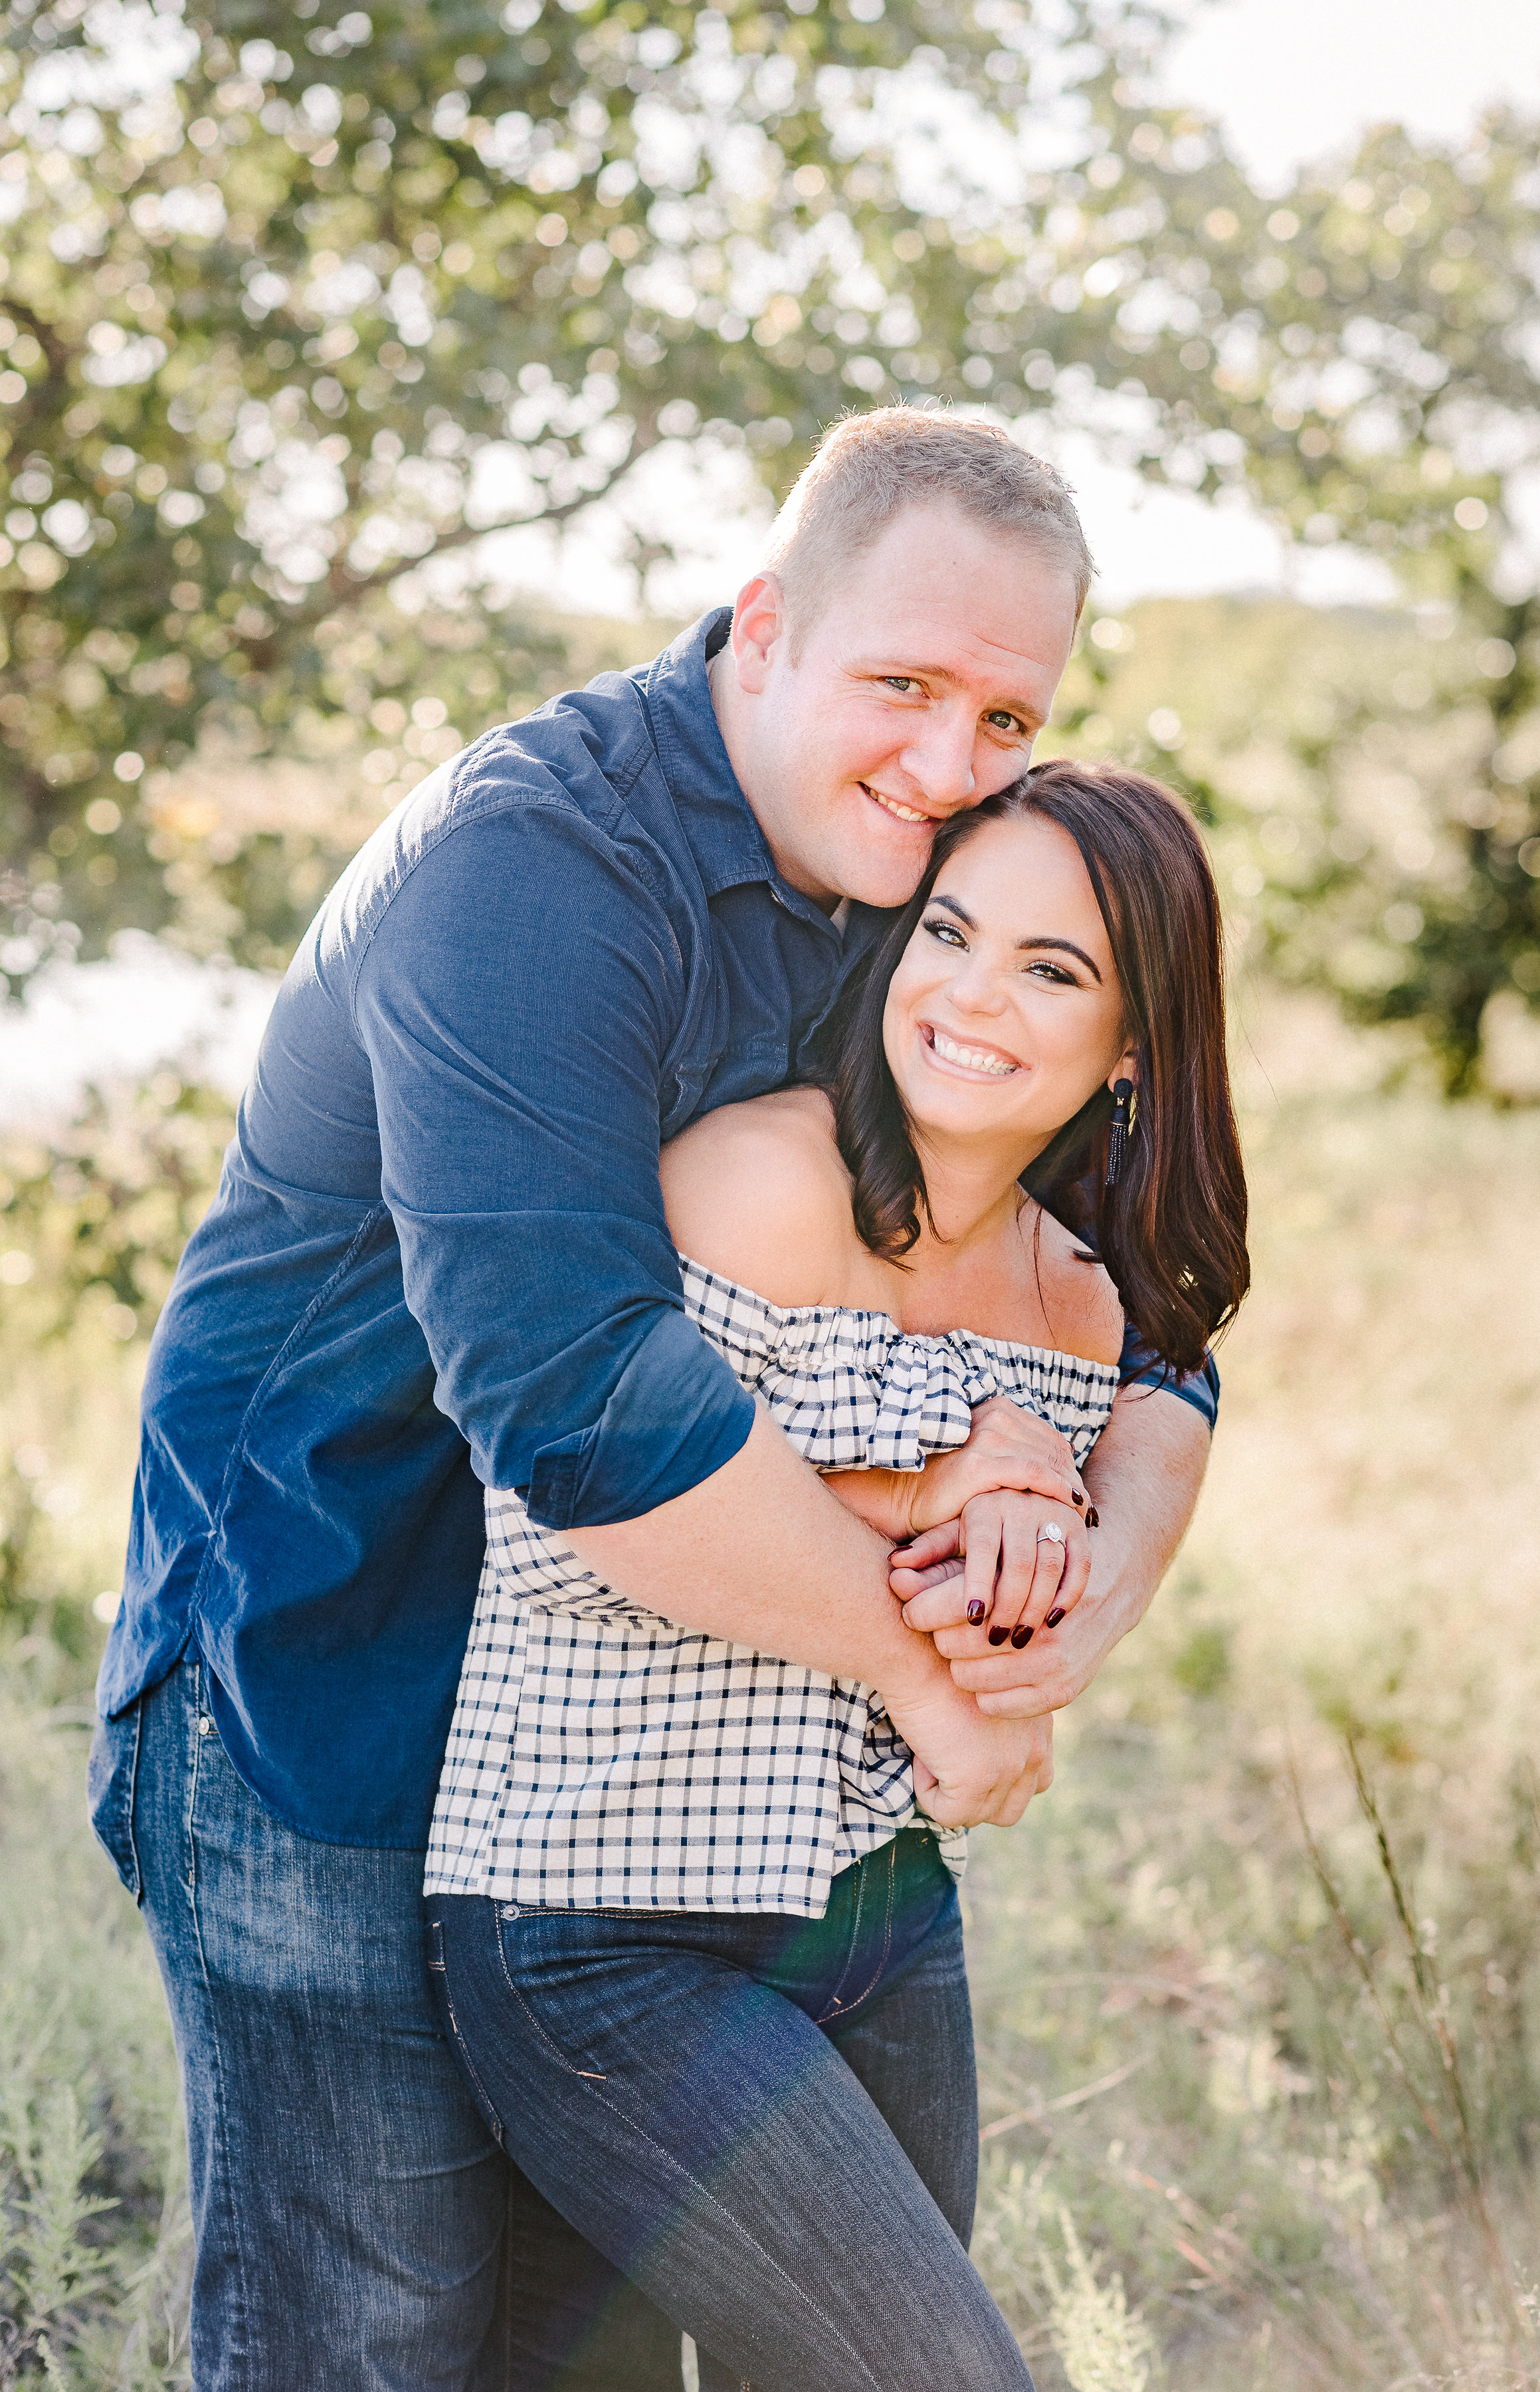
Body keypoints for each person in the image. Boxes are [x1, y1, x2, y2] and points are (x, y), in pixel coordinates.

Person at [87, 409, 1220, 2391]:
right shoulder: (533, 871)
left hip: (623, 1727)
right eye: (902, 686)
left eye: (1004, 716)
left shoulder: (909, 884)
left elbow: (1144, 1291)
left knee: (570, 2348)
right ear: (762, 627)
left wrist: (1080, 1576)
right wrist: (940, 1675)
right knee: (376, 2329)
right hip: (323, 1656)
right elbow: (582, 1403)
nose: (948, 761)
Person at [423, 762, 1248, 2392]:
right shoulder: (758, 1178)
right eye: (947, 931)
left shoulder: (1083, 1301)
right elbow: (570, 1521)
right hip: (602, 1919)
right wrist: (938, 1514)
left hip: (882, 1917)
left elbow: (1036, 1564)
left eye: (1049, 968)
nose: (969, 995)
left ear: (1133, 1043)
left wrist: (1029, 1568)